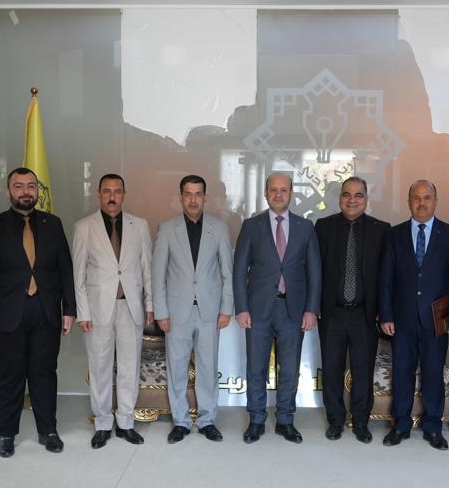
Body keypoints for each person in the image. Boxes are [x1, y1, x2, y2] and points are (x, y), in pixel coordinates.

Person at [0, 167, 75, 458]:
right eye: (19, 186)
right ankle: (6, 433)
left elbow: (65, 269)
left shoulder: (53, 224)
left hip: (46, 310)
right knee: (9, 375)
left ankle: (48, 431)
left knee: (44, 372)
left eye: (31, 186)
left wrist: (69, 309)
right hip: (7, 314)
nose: (25, 191)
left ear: (37, 190)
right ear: (9, 191)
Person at [233, 172, 322, 444]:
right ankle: (256, 420)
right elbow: (240, 270)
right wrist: (242, 308)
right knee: (256, 368)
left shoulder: (305, 227)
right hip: (258, 309)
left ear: (291, 193)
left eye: (283, 190)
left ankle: (285, 420)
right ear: (265, 193)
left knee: (290, 368)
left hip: (293, 309)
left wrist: (311, 309)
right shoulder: (251, 226)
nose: (278, 194)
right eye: (273, 189)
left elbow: (315, 272)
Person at [379, 180, 449, 450]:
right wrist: (386, 314)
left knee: (433, 373)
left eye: (427, 197)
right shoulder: (394, 234)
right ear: (409, 202)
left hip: (437, 318)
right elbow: (386, 279)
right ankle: (400, 425)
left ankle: (433, 426)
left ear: (435, 201)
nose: (422, 203)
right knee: (402, 371)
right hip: (402, 317)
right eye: (416, 197)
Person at [73, 174, 153, 448]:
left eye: (117, 191)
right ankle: (103, 423)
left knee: (130, 366)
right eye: (107, 191)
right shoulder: (84, 227)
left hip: (131, 306)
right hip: (97, 310)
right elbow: (78, 275)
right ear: (98, 194)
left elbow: (147, 268)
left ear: (124, 194)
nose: (112, 196)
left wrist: (150, 305)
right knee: (100, 367)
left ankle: (126, 422)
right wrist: (83, 312)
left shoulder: (139, 225)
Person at [152, 175, 234, 443]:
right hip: (176, 312)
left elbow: (227, 272)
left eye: (198, 194)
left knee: (208, 368)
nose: (193, 199)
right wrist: (161, 311)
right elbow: (158, 274)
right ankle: (181, 422)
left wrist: (226, 308)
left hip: (210, 311)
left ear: (205, 197)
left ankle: (208, 420)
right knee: (176, 368)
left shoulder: (219, 228)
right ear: (180, 197)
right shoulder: (167, 229)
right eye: (188, 194)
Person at [314, 176, 389, 443]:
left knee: (362, 370)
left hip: (364, 314)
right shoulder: (323, 227)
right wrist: (314, 306)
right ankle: (335, 421)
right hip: (332, 313)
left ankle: (360, 422)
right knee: (332, 370)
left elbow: (387, 275)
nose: (352, 200)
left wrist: (383, 310)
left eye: (358, 195)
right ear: (340, 198)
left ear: (366, 199)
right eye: (347, 194)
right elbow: (314, 270)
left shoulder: (382, 230)